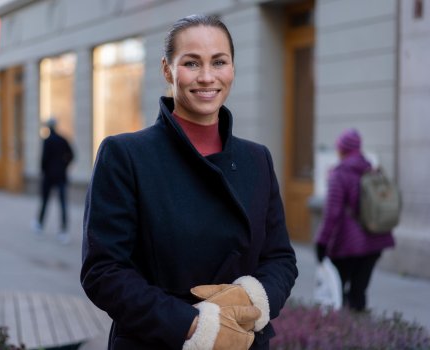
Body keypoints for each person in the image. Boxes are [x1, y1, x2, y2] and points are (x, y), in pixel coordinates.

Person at [81, 14, 298, 350]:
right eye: (192, 63)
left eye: (219, 62)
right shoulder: (125, 155)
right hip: (156, 340)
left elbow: (280, 258)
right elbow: (103, 271)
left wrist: (248, 301)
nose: (207, 77)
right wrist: (195, 326)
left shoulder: (258, 159)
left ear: (233, 69)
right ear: (168, 70)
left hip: (241, 341)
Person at [315, 128, 395, 312]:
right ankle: (361, 330)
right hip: (375, 241)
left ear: (342, 149)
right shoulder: (372, 170)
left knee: (337, 292)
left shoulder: (339, 174)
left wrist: (321, 242)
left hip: (347, 245)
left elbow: (332, 213)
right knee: (359, 292)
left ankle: (344, 332)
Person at [32, 117, 74, 244]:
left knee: (45, 201)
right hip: (61, 175)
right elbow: (72, 155)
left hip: (49, 176)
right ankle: (63, 230)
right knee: (62, 203)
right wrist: (64, 165)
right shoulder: (62, 139)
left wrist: (43, 170)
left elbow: (44, 158)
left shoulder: (47, 141)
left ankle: (39, 224)